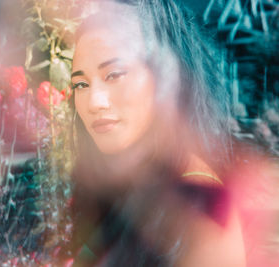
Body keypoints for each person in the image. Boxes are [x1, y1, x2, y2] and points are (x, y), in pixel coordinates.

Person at [68, 0, 246, 266]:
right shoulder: (132, 182)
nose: (94, 101)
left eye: (114, 75)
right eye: (81, 84)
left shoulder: (200, 211)